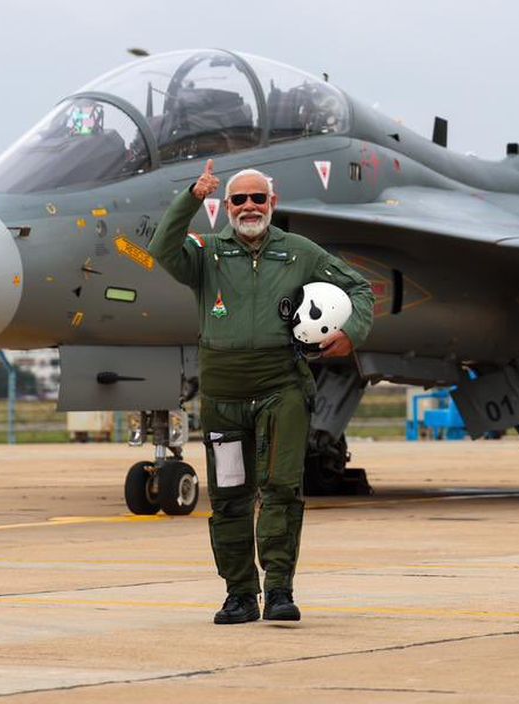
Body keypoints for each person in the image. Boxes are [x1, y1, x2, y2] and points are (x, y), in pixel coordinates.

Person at [151, 158, 374, 624]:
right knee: (230, 494)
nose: (249, 206)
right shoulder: (206, 254)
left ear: (273, 203)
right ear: (226, 207)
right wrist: (191, 197)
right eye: (239, 199)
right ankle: (238, 594)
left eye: (258, 198)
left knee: (280, 489)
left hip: (281, 389)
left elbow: (358, 286)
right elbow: (161, 247)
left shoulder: (300, 253)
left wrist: (353, 331)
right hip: (224, 397)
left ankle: (278, 591)